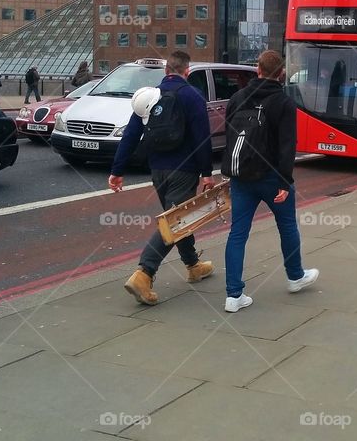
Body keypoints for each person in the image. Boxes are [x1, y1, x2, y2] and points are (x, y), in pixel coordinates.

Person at [109, 51, 215, 305]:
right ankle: (144, 273)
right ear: (186, 71)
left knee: (177, 216)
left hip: (157, 169)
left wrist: (117, 170)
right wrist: (207, 174)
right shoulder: (192, 96)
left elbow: (131, 134)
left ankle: (193, 265)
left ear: (166, 71)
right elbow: (202, 139)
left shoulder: (150, 96)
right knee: (175, 222)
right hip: (185, 170)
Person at [222, 49, 318, 313]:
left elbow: (229, 138)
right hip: (272, 177)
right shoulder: (284, 103)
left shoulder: (237, 98)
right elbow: (288, 147)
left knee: (237, 234)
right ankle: (295, 276)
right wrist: (285, 183)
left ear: (257, 69)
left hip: (241, 177)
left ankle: (233, 295)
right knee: (286, 226)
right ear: (282, 74)